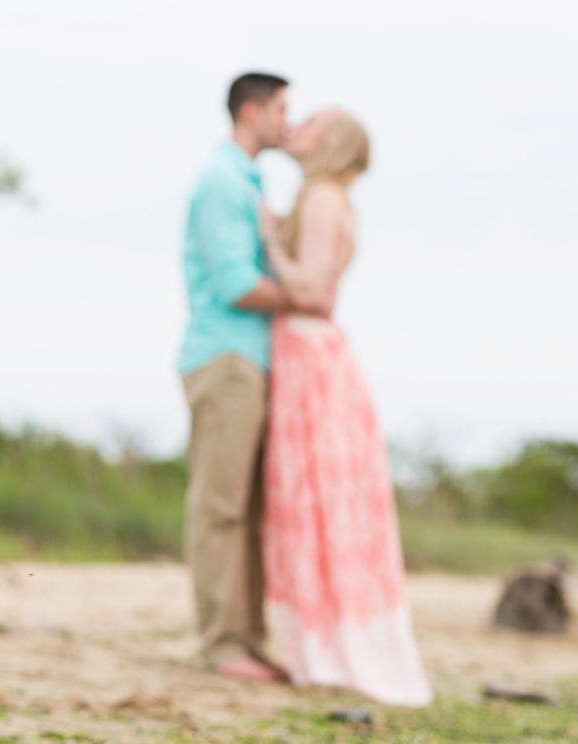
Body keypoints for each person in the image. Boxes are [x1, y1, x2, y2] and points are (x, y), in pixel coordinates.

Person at [262, 110, 432, 706]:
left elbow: (309, 290)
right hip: (318, 349)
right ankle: (329, 637)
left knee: (310, 498)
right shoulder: (326, 199)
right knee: (325, 499)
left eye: (311, 121)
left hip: (306, 347)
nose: (297, 125)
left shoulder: (321, 196)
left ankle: (321, 644)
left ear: (330, 142)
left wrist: (265, 242)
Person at [178, 73, 307, 682]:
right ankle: (221, 644)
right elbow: (236, 285)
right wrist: (307, 298)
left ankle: (247, 639)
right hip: (224, 358)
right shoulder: (222, 182)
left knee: (251, 508)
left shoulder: (249, 184)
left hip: (249, 361)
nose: (287, 121)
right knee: (220, 505)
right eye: (282, 109)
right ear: (251, 111)